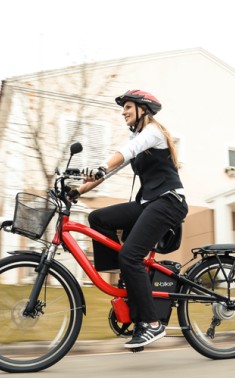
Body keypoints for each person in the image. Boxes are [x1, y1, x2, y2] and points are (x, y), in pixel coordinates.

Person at [69, 90, 188, 349]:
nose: (124, 111)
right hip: (148, 203)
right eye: (124, 107)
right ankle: (127, 276)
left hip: (168, 201)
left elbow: (126, 151)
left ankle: (153, 324)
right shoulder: (138, 137)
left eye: (128, 107)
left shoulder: (153, 132)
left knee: (130, 255)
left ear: (143, 109)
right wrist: (76, 191)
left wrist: (102, 165)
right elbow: (105, 174)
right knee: (98, 218)